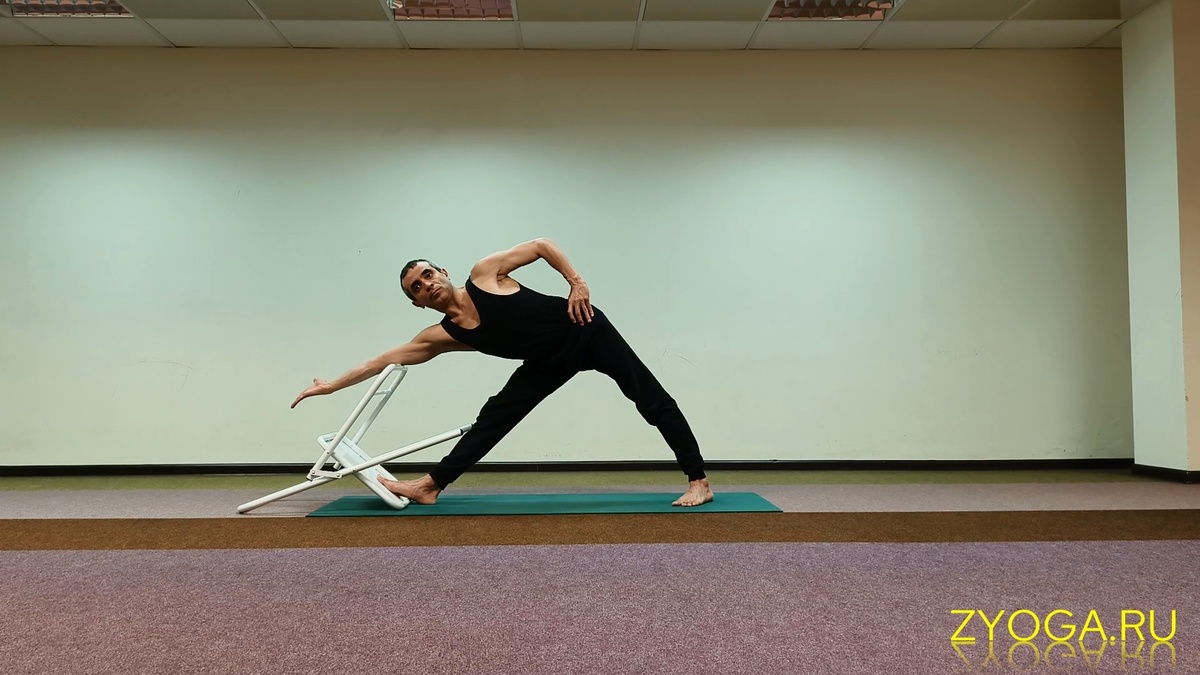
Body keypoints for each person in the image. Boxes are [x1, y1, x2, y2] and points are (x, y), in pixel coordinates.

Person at [290, 237, 713, 507]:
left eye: (428, 274)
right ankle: (430, 485)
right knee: (494, 417)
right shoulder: (440, 334)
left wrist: (577, 282)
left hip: (587, 330)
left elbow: (543, 245)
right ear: (417, 303)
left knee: (650, 399)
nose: (426, 284)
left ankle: (699, 481)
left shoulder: (485, 274)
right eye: (416, 288)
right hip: (548, 362)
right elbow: (379, 361)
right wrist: (331, 386)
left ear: (444, 272)